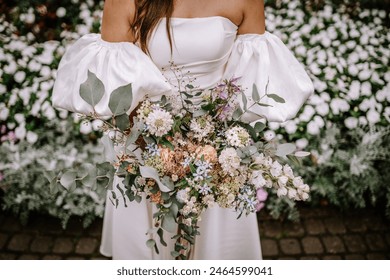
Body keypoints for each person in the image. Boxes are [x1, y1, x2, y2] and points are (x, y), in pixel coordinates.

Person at [52, 0, 314, 259]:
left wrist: (216, 146)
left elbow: (247, 79)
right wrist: (157, 153)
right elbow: (118, 83)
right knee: (150, 237)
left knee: (214, 241)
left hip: (216, 149)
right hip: (145, 142)